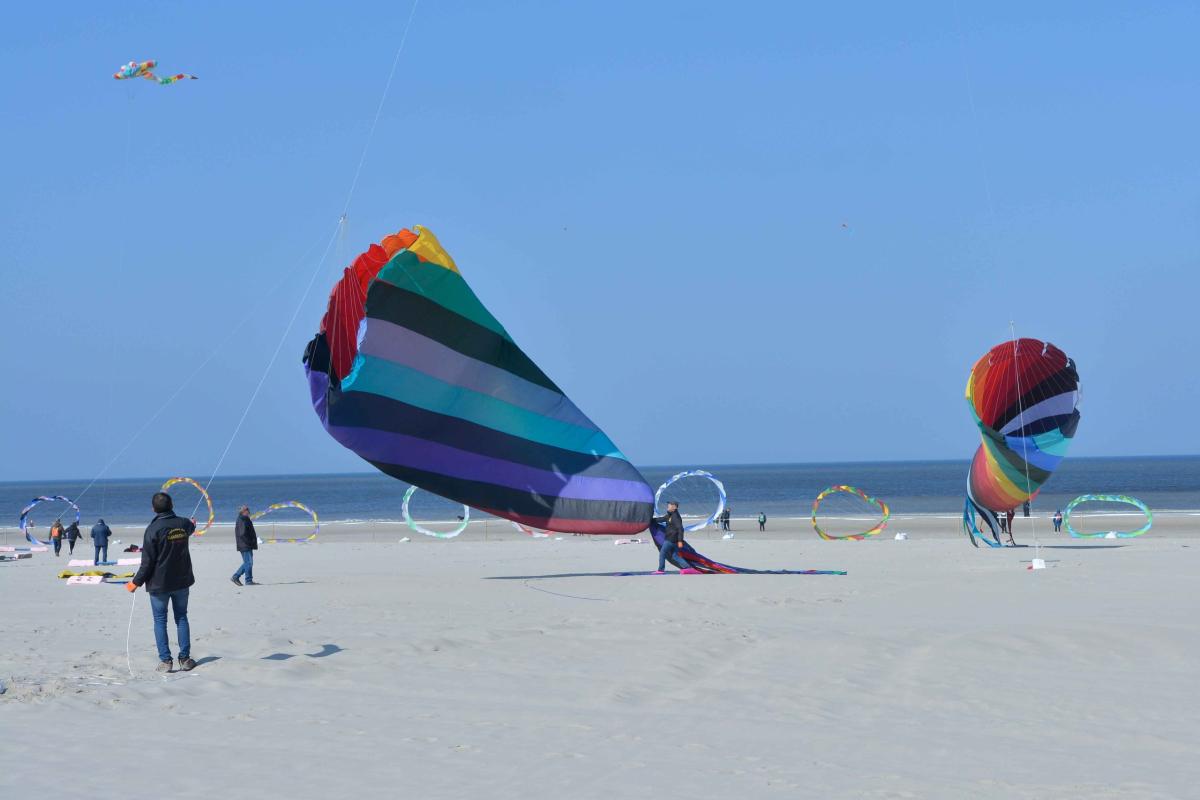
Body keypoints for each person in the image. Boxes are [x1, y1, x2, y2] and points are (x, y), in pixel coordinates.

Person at [127, 492, 197, 673]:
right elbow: (148, 561)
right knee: (177, 618)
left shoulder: (158, 528)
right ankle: (176, 659)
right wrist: (137, 582)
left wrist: (135, 582)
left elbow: (147, 562)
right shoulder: (171, 526)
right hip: (173, 581)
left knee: (167, 619)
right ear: (171, 505)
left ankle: (175, 660)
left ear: (153, 509)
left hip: (167, 583)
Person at [652, 501, 699, 574]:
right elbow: (661, 519)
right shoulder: (670, 515)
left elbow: (680, 529)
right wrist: (650, 520)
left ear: (674, 507)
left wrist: (680, 541)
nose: (668, 506)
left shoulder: (675, 517)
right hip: (672, 539)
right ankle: (689, 568)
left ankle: (660, 570)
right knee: (675, 556)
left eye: (669, 505)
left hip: (671, 539)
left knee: (662, 553)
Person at [231, 505, 258, 586]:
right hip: (245, 544)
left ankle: (244, 579)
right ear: (243, 511)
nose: (249, 511)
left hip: (246, 544)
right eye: (247, 510)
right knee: (249, 563)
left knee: (247, 562)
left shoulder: (245, 518)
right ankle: (242, 578)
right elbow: (242, 533)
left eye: (248, 509)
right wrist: (249, 542)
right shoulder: (242, 519)